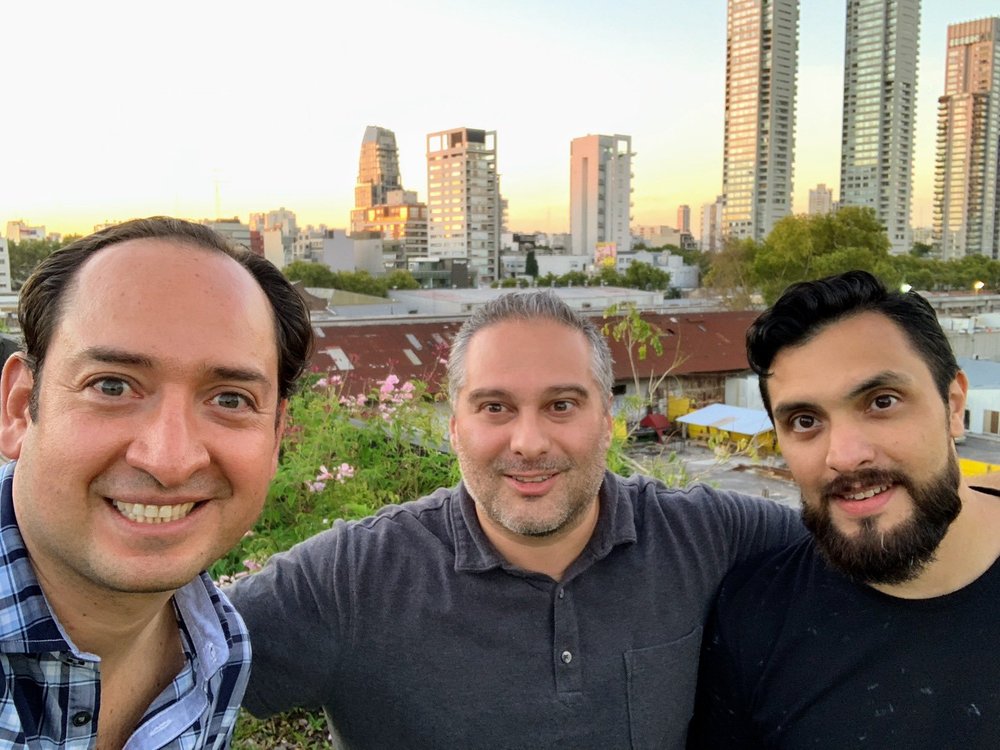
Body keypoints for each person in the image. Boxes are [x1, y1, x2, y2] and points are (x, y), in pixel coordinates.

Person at [227, 289, 803, 750]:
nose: (528, 443)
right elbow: (164, 668)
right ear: (454, 426)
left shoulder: (703, 536)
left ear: (606, 420)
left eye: (561, 406)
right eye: (495, 407)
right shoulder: (350, 579)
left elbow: (859, 558)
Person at [0, 218, 313, 748]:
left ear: (277, 435)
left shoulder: (219, 647)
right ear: (17, 410)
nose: (170, 460)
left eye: (230, 399)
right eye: (113, 385)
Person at [689, 271, 1000, 749]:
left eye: (882, 401)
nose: (845, 455)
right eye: (805, 421)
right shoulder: (753, 617)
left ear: (954, 405)